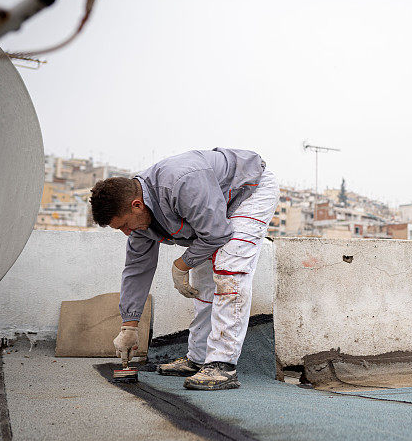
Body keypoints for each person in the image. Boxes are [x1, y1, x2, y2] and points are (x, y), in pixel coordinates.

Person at [89, 148, 279, 390]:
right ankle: (199, 359)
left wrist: (181, 264)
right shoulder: (139, 217)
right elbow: (137, 269)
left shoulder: (181, 182)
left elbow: (217, 233)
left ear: (136, 205)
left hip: (249, 189)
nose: (127, 233)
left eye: (125, 225)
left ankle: (223, 365)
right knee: (203, 278)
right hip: (214, 206)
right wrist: (129, 324)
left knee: (230, 267)